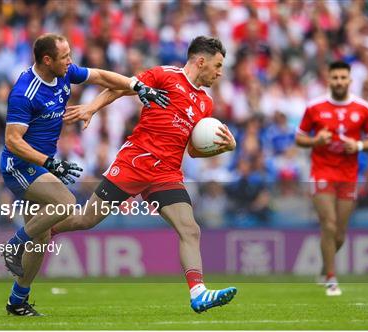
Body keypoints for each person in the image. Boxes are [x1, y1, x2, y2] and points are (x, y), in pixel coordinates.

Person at [54, 36, 238, 313]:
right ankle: (40, 230)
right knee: (85, 219)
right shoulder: (165, 75)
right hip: (136, 162)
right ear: (201, 61)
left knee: (190, 229)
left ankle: (198, 293)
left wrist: (225, 147)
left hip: (166, 173)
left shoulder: (205, 104)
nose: (220, 72)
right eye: (218, 65)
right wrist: (91, 107)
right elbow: (121, 87)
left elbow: (194, 151)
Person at [1, 33, 169, 316]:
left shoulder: (65, 73)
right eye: (65, 57)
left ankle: (17, 300)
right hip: (19, 167)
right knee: (65, 204)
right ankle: (15, 244)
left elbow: (102, 76)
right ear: (47, 60)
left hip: (40, 165)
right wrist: (50, 163)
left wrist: (137, 86)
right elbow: (12, 141)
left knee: (41, 237)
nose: (70, 61)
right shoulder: (24, 92)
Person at [295, 61, 368, 296]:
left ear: (350, 80)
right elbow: (299, 138)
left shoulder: (363, 108)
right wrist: (315, 141)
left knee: (339, 233)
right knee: (328, 224)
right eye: (335, 78)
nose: (339, 82)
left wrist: (359, 144)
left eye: (343, 78)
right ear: (328, 80)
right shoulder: (314, 107)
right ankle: (332, 278)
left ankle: (324, 268)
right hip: (322, 171)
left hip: (348, 174)